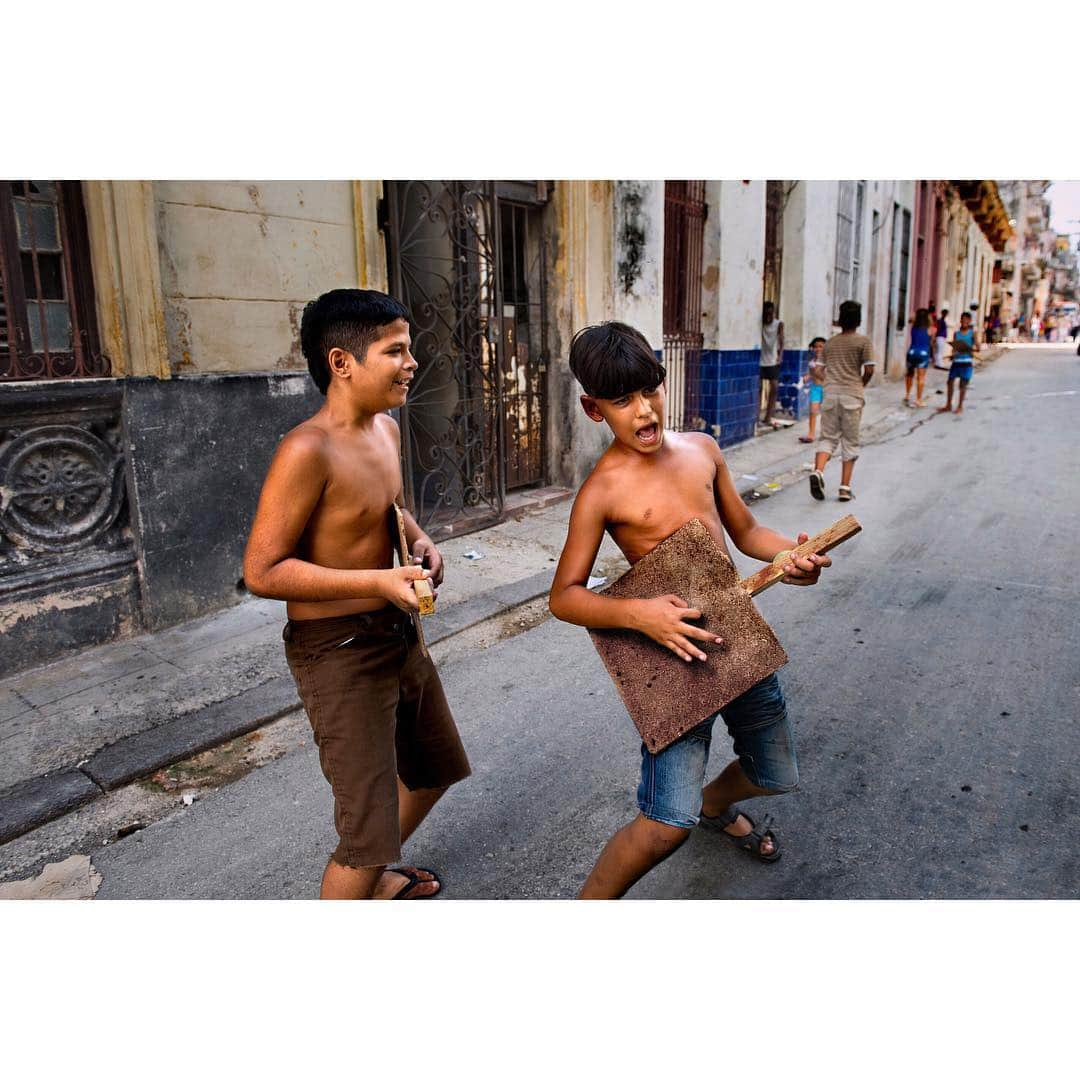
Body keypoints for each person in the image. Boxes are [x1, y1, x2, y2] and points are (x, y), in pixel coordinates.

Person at [548, 321, 831, 900]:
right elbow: (565, 596)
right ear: (593, 408)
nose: (644, 410)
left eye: (650, 389)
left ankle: (713, 804)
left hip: (740, 642)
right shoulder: (602, 491)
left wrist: (791, 555)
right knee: (661, 827)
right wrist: (640, 615)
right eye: (622, 400)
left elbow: (748, 531)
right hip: (674, 664)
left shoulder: (702, 450)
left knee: (775, 774)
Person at [243, 289, 471, 900]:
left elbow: (389, 510)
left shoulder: (386, 432)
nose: (411, 362)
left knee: (432, 770)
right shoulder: (305, 450)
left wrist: (420, 542)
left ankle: (371, 882)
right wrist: (376, 582)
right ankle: (362, 878)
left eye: (409, 349)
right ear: (342, 362)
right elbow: (263, 571)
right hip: (337, 650)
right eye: (396, 350)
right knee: (364, 835)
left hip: (396, 634)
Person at [808, 300, 875, 503]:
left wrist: (829, 381)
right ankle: (844, 488)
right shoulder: (863, 342)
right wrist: (860, 384)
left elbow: (818, 369)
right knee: (850, 441)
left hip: (830, 395)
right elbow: (870, 369)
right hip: (852, 396)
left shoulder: (830, 343)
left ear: (840, 319)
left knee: (827, 438)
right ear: (859, 319)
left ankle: (818, 471)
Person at [937, 310, 979, 416]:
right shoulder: (956, 333)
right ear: (960, 320)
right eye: (962, 319)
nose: (964, 321)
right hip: (956, 361)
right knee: (950, 382)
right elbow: (954, 349)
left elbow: (978, 348)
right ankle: (948, 404)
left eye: (966, 320)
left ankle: (960, 406)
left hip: (966, 362)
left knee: (962, 385)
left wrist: (971, 349)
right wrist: (953, 353)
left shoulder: (972, 333)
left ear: (969, 321)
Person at [759, 301, 785, 426]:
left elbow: (782, 340)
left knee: (774, 387)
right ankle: (756, 415)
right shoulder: (760, 323)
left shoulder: (778, 324)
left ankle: (768, 416)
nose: (768, 316)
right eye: (766, 314)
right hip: (760, 359)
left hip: (772, 359)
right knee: (758, 388)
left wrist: (780, 356)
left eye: (770, 313)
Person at [904, 308, 933, 408]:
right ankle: (918, 399)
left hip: (911, 352)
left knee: (909, 374)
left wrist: (916, 317)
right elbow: (932, 341)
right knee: (921, 377)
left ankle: (907, 395)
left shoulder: (913, 327)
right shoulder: (930, 329)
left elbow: (910, 319)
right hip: (923, 354)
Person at [799, 336, 826, 443]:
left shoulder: (827, 361)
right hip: (815, 389)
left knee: (828, 413)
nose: (818, 349)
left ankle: (827, 433)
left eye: (821, 346)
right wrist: (807, 377)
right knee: (813, 411)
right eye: (815, 347)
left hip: (827, 389)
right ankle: (811, 434)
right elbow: (811, 373)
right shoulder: (811, 362)